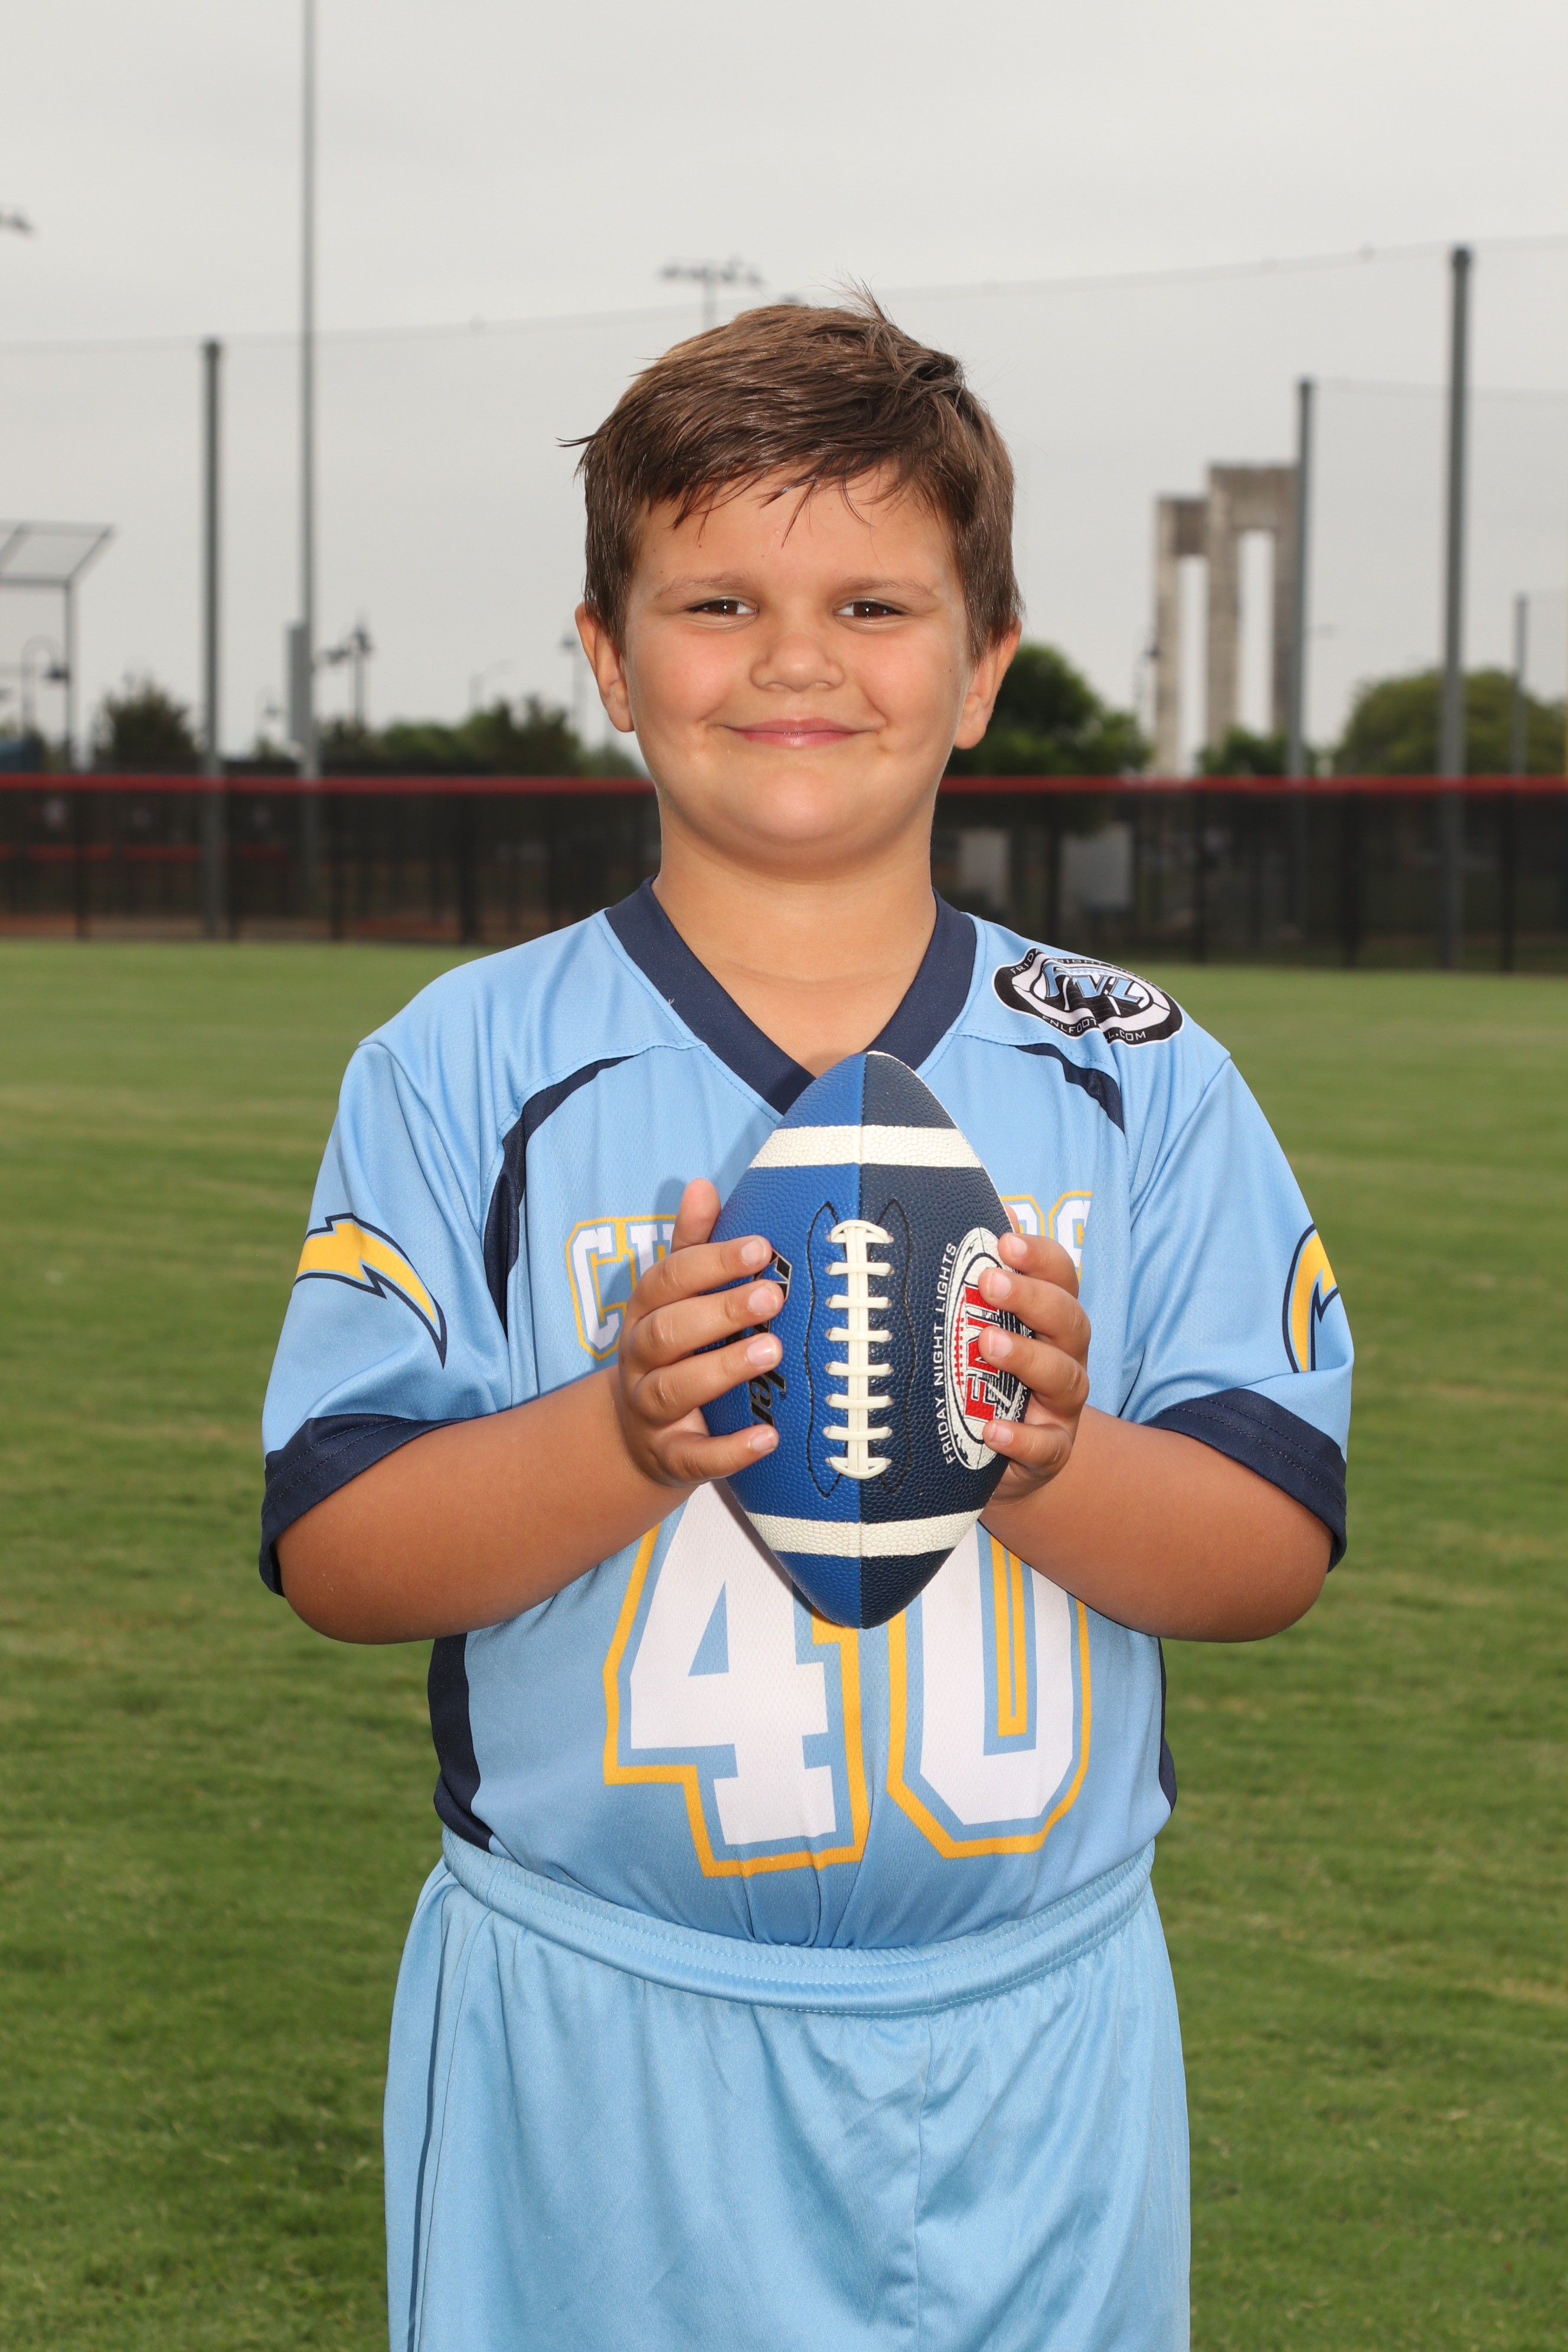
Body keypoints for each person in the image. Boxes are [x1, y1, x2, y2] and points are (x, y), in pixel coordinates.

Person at [260, 299, 1352, 2352]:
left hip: (1037, 2038)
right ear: (607, 658)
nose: (793, 660)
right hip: (598, 2036)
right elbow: (339, 1549)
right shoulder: (461, 1064)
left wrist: (1045, 1458)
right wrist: (619, 1436)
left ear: (984, 664)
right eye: (716, 601)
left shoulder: (1140, 1071)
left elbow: (1272, 1546)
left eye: (871, 602)